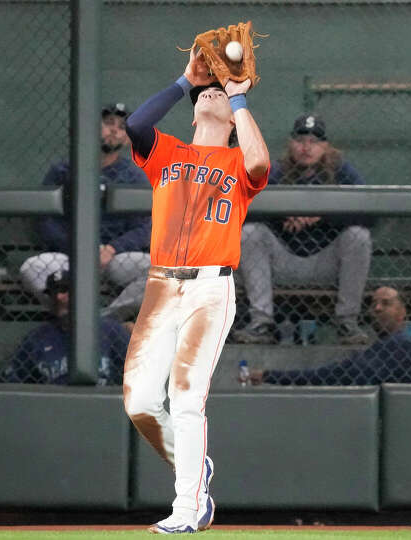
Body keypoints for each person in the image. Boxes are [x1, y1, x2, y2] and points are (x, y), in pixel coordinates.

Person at [122, 47, 270, 534]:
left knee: (186, 400)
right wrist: (186, 81)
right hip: (163, 285)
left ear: (231, 116)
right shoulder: (169, 153)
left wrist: (239, 97)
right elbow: (138, 125)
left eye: (218, 93)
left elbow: (259, 160)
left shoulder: (236, 162)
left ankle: (187, 508)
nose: (212, 94)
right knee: (140, 401)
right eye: (207, 94)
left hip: (210, 289)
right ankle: (196, 470)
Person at [231, 115, 375, 345]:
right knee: (250, 232)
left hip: (326, 264)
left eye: (314, 141)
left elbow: (369, 212)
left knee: (358, 236)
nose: (306, 147)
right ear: (290, 143)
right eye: (300, 140)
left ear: (325, 146)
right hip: (282, 263)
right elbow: (243, 208)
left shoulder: (341, 171)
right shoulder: (276, 171)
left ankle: (347, 322)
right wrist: (283, 213)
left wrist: (319, 215)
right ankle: (261, 321)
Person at [19, 103, 152, 321]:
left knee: (161, 272)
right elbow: (44, 220)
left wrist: (111, 249)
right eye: (108, 123)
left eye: (121, 127)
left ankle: (104, 320)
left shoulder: (133, 176)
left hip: (113, 257)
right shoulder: (63, 169)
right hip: (69, 254)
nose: (114, 130)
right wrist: (75, 246)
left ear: (128, 138)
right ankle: (69, 316)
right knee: (31, 268)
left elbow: (144, 227)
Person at [248, 286, 411, 385]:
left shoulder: (399, 345)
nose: (377, 308)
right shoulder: (384, 346)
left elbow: (341, 374)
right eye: (373, 303)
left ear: (402, 313)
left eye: (386, 303)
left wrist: (271, 376)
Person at [0, 269, 131, 385]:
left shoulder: (111, 331)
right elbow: (13, 380)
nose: (58, 297)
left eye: (64, 290)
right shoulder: (36, 338)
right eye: (52, 292)